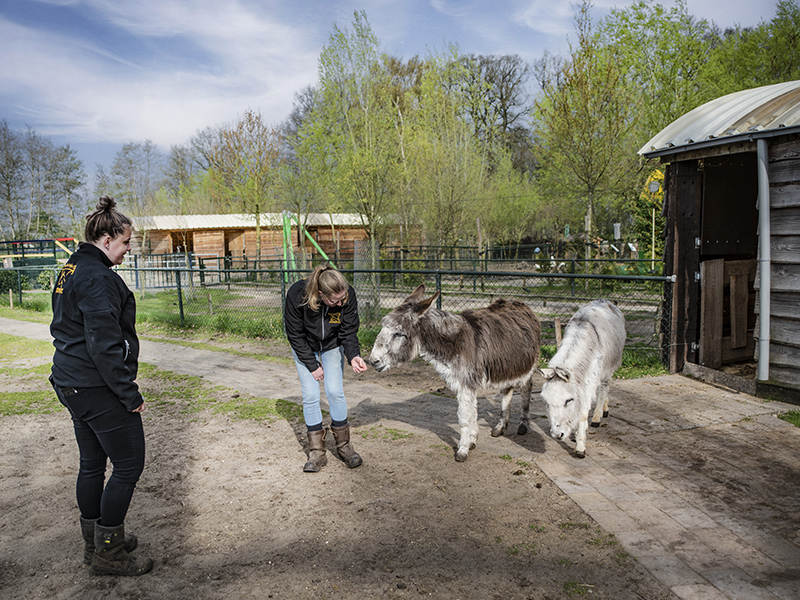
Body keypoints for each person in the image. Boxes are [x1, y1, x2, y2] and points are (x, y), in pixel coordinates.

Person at [50, 196, 153, 576]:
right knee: (128, 464)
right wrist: (129, 393)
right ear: (106, 238)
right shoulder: (96, 277)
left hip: (71, 381)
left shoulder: (72, 267)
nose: (128, 250)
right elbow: (103, 344)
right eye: (125, 242)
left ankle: (96, 542)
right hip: (94, 386)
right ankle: (109, 554)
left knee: (92, 464)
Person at [284, 264, 368, 472]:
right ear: (320, 294)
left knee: (334, 391)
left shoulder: (347, 296)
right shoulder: (296, 294)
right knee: (311, 395)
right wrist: (312, 365)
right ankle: (317, 452)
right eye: (335, 300)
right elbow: (295, 334)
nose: (340, 303)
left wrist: (353, 355)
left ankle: (344, 445)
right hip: (305, 346)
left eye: (343, 299)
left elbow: (348, 331)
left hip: (332, 345)